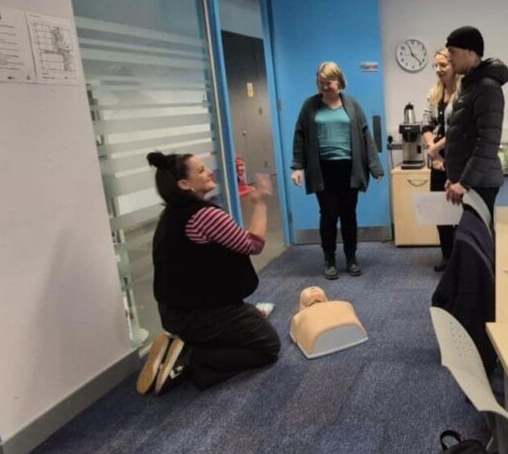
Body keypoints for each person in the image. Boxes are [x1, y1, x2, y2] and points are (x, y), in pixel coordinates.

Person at [138, 151, 280, 396]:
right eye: (202, 170)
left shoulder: (170, 214)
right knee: (267, 346)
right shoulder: (205, 215)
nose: (210, 172)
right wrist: (260, 204)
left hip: (174, 313)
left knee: (251, 318)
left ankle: (182, 344)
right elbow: (252, 245)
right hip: (200, 315)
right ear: (184, 184)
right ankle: (190, 359)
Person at [291, 62, 384, 280]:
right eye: (321, 83)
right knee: (329, 215)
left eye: (329, 82)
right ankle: (329, 260)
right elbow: (300, 136)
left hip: (350, 168)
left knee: (349, 215)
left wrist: (375, 168)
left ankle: (351, 258)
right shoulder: (310, 106)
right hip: (323, 169)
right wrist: (298, 166)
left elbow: (365, 137)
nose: (325, 87)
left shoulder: (352, 105)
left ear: (339, 81)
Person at [443, 26, 508, 218]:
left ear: (470, 52)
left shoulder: (487, 87)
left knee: (478, 240)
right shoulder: (470, 85)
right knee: (469, 238)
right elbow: (462, 137)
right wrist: (454, 177)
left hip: (480, 183)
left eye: (452, 52)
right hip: (471, 181)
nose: (449, 58)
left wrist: (464, 182)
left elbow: (487, 141)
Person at [421, 48, 460, 272]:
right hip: (437, 161)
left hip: (456, 160)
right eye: (435, 65)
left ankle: (460, 258)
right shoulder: (434, 92)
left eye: (443, 65)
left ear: (453, 65)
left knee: (458, 213)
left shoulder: (463, 92)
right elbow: (426, 124)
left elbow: (457, 128)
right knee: (440, 212)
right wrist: (433, 152)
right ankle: (447, 256)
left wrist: (436, 148)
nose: (438, 69)